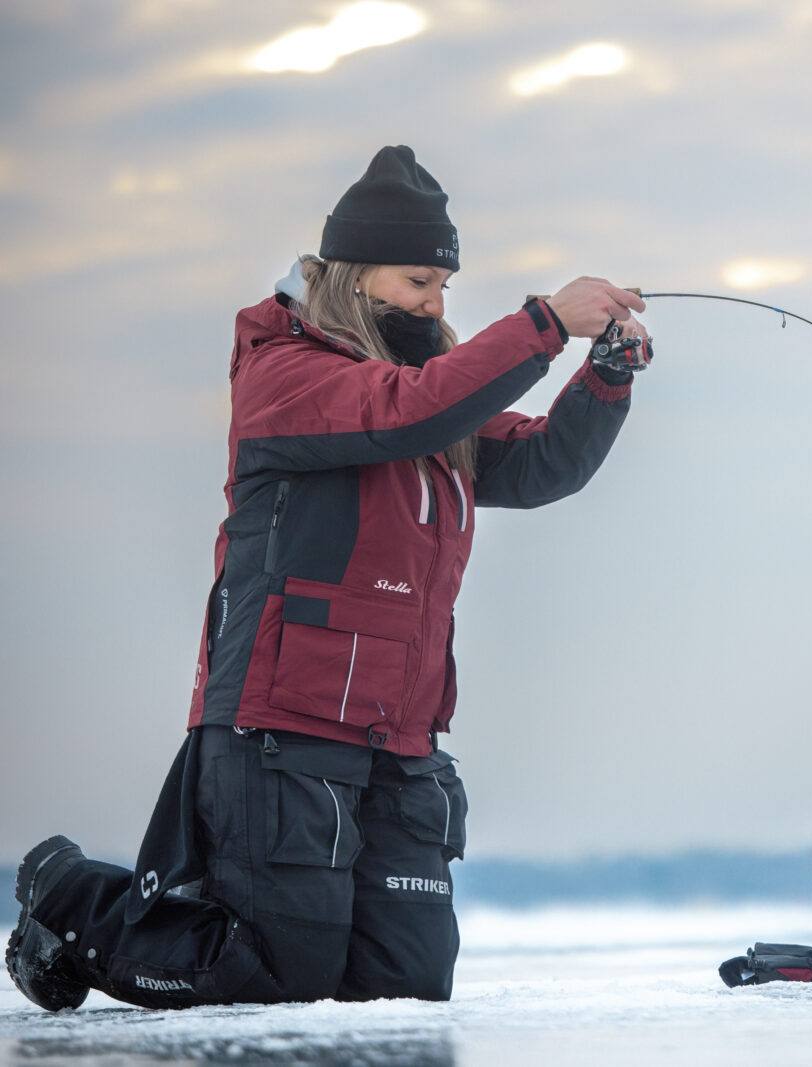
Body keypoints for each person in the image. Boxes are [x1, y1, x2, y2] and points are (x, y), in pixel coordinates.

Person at [6, 145, 651, 1011]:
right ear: (352, 277)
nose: (435, 302)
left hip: (402, 737)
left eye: (444, 287)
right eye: (419, 281)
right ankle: (71, 897)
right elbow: (402, 411)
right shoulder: (288, 374)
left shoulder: (429, 398)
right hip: (284, 726)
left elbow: (537, 466)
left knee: (405, 985)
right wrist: (543, 322)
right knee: (272, 979)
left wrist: (602, 380)